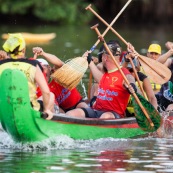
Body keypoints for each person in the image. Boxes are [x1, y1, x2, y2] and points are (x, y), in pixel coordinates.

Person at [66, 40, 138, 119]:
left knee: (105, 116)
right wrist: (89, 60)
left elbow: (130, 78)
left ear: (105, 57)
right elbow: (100, 77)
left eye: (102, 56)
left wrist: (131, 85)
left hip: (114, 114)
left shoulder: (124, 72)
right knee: (72, 113)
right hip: (96, 111)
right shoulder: (105, 74)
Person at [0, 33, 54, 119]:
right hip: (29, 109)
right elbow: (46, 92)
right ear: (24, 49)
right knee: (51, 95)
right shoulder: (33, 65)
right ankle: (44, 119)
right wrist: (47, 109)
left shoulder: (1, 65)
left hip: (6, 109)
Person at [32, 47, 89, 113]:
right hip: (62, 110)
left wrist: (43, 53)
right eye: (38, 68)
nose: (41, 71)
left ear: (49, 67)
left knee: (84, 107)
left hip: (77, 104)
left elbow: (58, 63)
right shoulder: (39, 86)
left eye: (43, 67)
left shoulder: (58, 73)